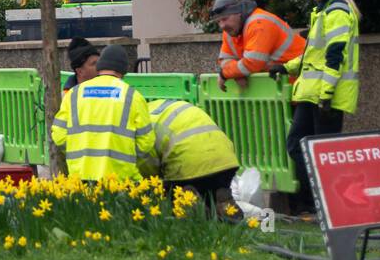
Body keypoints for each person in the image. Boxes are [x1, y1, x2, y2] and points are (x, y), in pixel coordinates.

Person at [268, 0, 361, 216]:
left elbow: (334, 57)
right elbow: (313, 56)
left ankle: (330, 204)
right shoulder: (323, 12)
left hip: (324, 97)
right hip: (312, 94)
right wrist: (285, 68)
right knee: (299, 145)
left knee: (323, 153)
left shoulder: (337, 12)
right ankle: (314, 203)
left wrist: (327, 95)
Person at [52, 44, 155, 181]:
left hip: (79, 178)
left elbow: (59, 135)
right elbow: (146, 142)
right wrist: (125, 152)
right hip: (121, 179)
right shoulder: (132, 96)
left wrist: (78, 150)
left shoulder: (73, 94)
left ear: (100, 66)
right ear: (124, 69)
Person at [139, 98, 240, 210]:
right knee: (213, 190)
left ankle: (194, 208)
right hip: (225, 161)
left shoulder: (140, 125)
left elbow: (146, 163)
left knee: (177, 201)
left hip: (188, 167)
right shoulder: (159, 109)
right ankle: (222, 197)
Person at [211, 0, 305, 86]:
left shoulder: (259, 24)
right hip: (281, 87)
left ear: (238, 13)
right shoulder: (231, 30)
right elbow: (224, 61)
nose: (222, 26)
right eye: (218, 21)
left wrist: (225, 74)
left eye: (225, 19)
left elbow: (253, 63)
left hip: (299, 82)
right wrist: (236, 73)